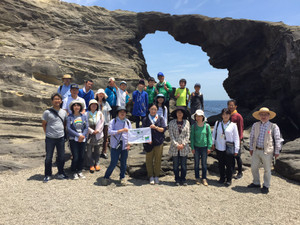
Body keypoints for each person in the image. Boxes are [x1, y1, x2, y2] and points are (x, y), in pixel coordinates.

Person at [247, 107, 282, 194]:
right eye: (261, 114)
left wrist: (277, 152)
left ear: (269, 116)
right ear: (259, 116)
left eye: (265, 114)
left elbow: (277, 139)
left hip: (267, 151)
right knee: (254, 167)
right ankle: (256, 182)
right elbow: (251, 137)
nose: (263, 116)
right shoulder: (255, 125)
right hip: (256, 149)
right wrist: (251, 148)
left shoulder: (273, 126)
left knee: (267, 169)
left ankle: (266, 185)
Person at [42, 93, 68, 182]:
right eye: (55, 99)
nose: (57, 101)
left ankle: (61, 173)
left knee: (61, 156)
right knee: (49, 157)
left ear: (61, 101)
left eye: (58, 99)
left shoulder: (63, 112)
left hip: (60, 137)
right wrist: (48, 133)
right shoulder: (47, 112)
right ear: (52, 101)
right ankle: (47, 174)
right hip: (50, 138)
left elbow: (64, 124)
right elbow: (44, 124)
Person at [102, 106, 132, 186]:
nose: (122, 113)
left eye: (124, 112)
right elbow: (110, 132)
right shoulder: (113, 121)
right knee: (113, 162)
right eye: (121, 112)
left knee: (123, 162)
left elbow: (131, 134)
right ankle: (106, 177)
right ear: (118, 113)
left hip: (125, 145)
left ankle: (122, 177)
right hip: (115, 145)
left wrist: (129, 144)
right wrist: (120, 131)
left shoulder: (128, 122)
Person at [212, 108, 240, 187]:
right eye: (224, 114)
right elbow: (214, 134)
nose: (225, 116)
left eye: (227, 114)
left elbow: (236, 137)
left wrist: (236, 149)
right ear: (222, 115)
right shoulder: (218, 123)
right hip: (219, 146)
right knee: (221, 164)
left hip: (229, 147)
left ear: (229, 115)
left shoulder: (233, 125)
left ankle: (228, 179)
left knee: (229, 165)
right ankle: (222, 178)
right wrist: (213, 143)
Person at [142, 104, 167, 185]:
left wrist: (156, 127)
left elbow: (163, 129)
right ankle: (151, 176)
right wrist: (147, 140)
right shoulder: (145, 119)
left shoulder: (160, 118)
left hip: (158, 141)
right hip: (149, 143)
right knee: (149, 160)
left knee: (158, 159)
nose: (153, 111)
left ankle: (156, 175)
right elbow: (143, 131)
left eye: (155, 109)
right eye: (152, 109)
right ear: (149, 109)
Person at [168, 106, 191, 186]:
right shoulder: (171, 123)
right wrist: (177, 145)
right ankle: (177, 179)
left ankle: (183, 179)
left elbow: (188, 135)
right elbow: (171, 135)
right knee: (175, 165)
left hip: (184, 147)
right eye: (178, 112)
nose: (179, 114)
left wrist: (183, 144)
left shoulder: (187, 122)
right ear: (176, 114)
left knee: (184, 165)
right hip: (175, 147)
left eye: (181, 112)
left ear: (183, 114)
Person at [67, 100, 89, 180]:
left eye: (78, 105)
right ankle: (74, 171)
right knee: (75, 156)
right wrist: (78, 135)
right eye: (75, 105)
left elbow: (86, 127)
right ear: (72, 107)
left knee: (81, 155)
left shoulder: (84, 116)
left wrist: (82, 135)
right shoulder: (70, 117)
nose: (76, 107)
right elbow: (68, 128)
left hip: (83, 138)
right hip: (73, 139)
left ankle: (79, 170)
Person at [190, 110, 212, 186]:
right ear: (195, 117)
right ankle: (197, 178)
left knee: (204, 164)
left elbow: (209, 137)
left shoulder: (207, 126)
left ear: (203, 117)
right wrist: (192, 147)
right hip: (196, 147)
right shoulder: (194, 126)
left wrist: (209, 147)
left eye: (200, 116)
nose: (198, 118)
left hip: (204, 148)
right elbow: (192, 137)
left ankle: (204, 178)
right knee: (196, 164)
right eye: (197, 116)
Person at [85, 99, 104, 173]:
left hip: (98, 134)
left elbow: (102, 123)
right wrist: (92, 131)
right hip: (89, 134)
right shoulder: (86, 114)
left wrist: (98, 131)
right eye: (92, 104)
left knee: (97, 150)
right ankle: (91, 164)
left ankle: (97, 163)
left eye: (95, 104)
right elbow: (85, 124)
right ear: (89, 106)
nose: (94, 106)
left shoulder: (100, 113)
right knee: (89, 151)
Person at [227, 99, 244, 179]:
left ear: (235, 106)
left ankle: (240, 172)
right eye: (229, 105)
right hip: (229, 139)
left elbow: (241, 128)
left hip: (236, 139)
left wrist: (239, 140)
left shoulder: (238, 116)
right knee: (231, 156)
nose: (230, 107)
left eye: (232, 105)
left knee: (237, 156)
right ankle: (232, 170)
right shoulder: (229, 115)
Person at [95, 89, 111, 159]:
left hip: (105, 123)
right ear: (97, 95)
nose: (101, 95)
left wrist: (108, 122)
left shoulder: (106, 103)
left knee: (105, 137)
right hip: (97, 123)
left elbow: (108, 113)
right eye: (100, 94)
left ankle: (104, 151)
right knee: (96, 137)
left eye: (102, 94)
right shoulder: (94, 103)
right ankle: (95, 152)